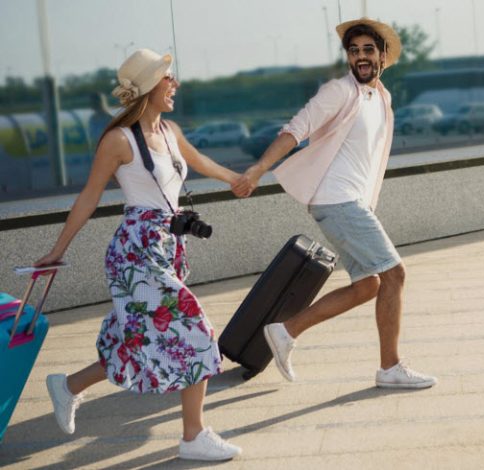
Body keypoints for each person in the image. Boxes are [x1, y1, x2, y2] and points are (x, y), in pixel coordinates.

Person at [34, 49, 247, 461]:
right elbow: (89, 197)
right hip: (135, 253)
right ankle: (193, 436)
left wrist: (235, 178)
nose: (175, 84)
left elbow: (197, 160)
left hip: (167, 245)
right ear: (149, 87)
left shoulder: (169, 131)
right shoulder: (118, 140)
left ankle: (68, 386)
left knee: (134, 339)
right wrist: (56, 251)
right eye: (168, 78)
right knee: (195, 330)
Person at [233, 18, 437, 390]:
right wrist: (259, 168)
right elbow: (295, 129)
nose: (360, 57)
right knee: (395, 274)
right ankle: (390, 368)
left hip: (351, 201)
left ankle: (285, 331)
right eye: (353, 50)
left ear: (382, 56)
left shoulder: (381, 98)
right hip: (336, 198)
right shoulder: (337, 92)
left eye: (367, 50)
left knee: (369, 285)